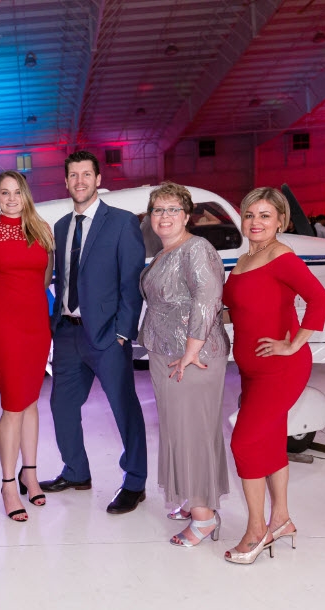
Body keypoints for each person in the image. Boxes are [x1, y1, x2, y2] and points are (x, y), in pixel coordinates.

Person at [221, 187, 325, 564]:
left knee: (245, 444)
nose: (256, 222)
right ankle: (281, 519)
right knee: (267, 442)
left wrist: (294, 343)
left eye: (265, 215)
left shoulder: (281, 256)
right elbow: (239, 309)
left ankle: (257, 532)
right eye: (250, 214)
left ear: (280, 221)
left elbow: (320, 299)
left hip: (281, 368)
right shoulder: (244, 259)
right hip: (252, 370)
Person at [40, 151, 148, 515]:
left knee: (124, 410)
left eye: (87, 174)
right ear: (66, 181)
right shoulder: (59, 226)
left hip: (106, 337)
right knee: (62, 405)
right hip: (68, 333)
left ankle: (134, 482)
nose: (80, 181)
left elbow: (130, 282)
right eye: (73, 175)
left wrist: (123, 333)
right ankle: (76, 471)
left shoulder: (120, 223)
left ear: (99, 179)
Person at [137, 182, 230, 547]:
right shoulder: (165, 252)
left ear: (188, 215)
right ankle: (196, 501)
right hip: (166, 353)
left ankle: (205, 518)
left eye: (173, 209)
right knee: (181, 431)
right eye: (158, 210)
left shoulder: (196, 248)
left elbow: (208, 297)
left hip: (193, 357)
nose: (164, 216)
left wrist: (193, 349)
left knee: (192, 433)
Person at [0, 171, 54, 522]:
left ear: (25, 194)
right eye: (4, 192)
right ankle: (7, 484)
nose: (11, 198)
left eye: (17, 192)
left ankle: (29, 474)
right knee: (14, 405)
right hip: (4, 326)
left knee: (31, 401)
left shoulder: (42, 229)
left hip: (36, 326)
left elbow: (45, 278)